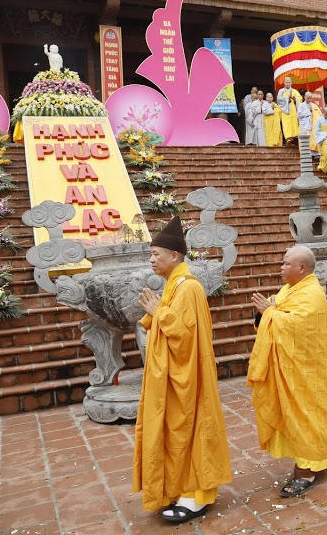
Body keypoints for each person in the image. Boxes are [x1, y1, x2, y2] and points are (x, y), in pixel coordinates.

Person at [133, 217, 231, 523]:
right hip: (173, 377)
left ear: (174, 256)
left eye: (156, 255)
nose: (151, 260)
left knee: (189, 432)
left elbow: (187, 337)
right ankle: (179, 489)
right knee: (175, 433)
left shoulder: (188, 287)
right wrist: (158, 312)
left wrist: (157, 312)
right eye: (151, 255)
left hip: (188, 377)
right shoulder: (175, 284)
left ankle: (196, 495)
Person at [248, 246, 327, 498]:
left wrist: (270, 312)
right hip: (290, 368)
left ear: (302, 268)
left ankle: (308, 469)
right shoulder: (288, 289)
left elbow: (299, 326)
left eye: (286, 264)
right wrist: (264, 314)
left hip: (307, 371)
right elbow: (276, 318)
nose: (281, 267)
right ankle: (320, 455)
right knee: (296, 416)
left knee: (308, 413)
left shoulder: (312, 294)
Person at [277, 76, 303, 144]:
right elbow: (279, 100)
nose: (288, 83)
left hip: (293, 110)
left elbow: (300, 99)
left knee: (294, 122)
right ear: (284, 83)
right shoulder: (281, 91)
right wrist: (287, 98)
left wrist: (295, 99)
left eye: (289, 82)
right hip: (285, 111)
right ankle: (288, 138)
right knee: (286, 124)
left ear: (291, 83)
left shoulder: (295, 91)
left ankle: (295, 137)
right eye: (286, 82)